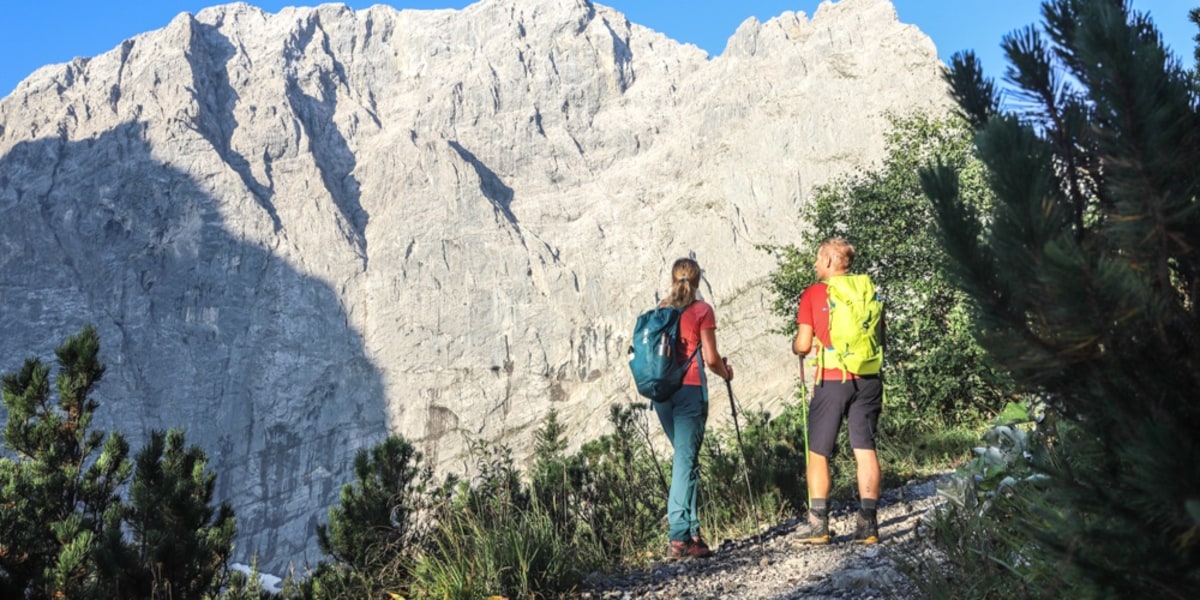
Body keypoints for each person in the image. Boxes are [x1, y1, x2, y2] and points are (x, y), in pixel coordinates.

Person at [792, 237, 883, 545]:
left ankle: (819, 525)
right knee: (865, 448)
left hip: (832, 379)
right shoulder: (868, 290)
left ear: (829, 262)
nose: (816, 265)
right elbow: (881, 336)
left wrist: (797, 346)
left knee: (818, 451)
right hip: (869, 377)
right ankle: (868, 525)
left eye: (818, 260)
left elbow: (804, 344)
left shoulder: (814, 294)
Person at [654, 257, 734, 560]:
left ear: (673, 279)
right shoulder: (702, 311)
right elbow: (712, 359)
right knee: (685, 464)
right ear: (697, 280)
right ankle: (678, 537)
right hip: (689, 392)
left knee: (686, 462)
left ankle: (693, 533)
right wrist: (726, 373)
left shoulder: (661, 310)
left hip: (662, 395)